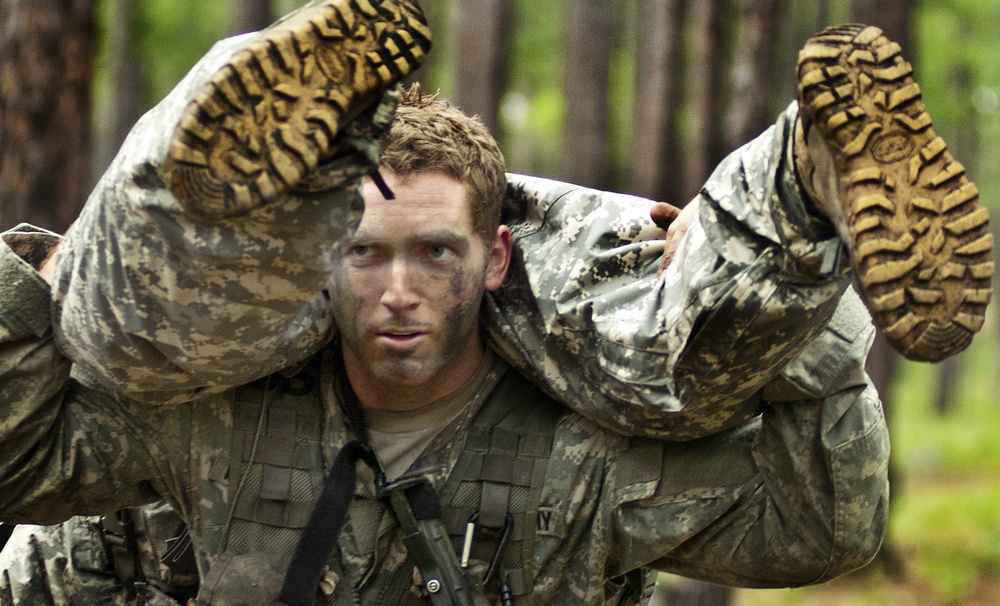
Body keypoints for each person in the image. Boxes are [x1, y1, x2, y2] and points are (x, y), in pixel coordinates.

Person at [0, 1, 992, 604]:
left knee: (669, 355)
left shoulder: (582, 454)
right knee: (145, 311)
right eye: (365, 254)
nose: (397, 291)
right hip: (220, 277)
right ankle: (282, 112)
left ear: (493, 256)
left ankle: (800, 182)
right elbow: (19, 462)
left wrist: (813, 332)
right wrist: (32, 292)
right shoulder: (210, 414)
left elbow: (825, 524)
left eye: (435, 253)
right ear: (324, 263)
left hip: (568, 303)